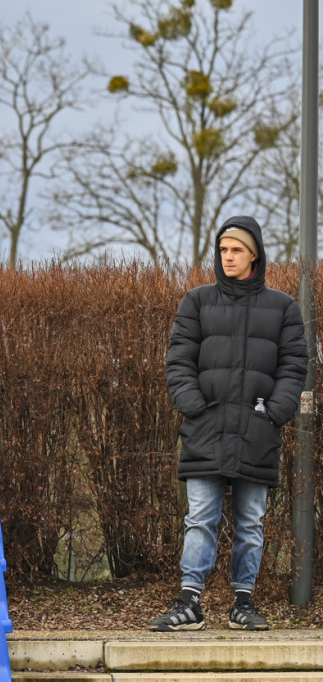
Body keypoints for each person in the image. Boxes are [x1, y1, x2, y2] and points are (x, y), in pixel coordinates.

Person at [151, 217, 307, 632]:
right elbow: (178, 360)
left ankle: (243, 604)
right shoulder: (197, 302)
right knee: (200, 518)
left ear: (253, 253)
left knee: (251, 522)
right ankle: (189, 604)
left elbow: (294, 366)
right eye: (223, 250)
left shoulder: (283, 308)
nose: (228, 256)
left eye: (236, 249)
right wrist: (193, 407)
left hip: (257, 433)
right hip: (205, 429)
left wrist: (274, 412)